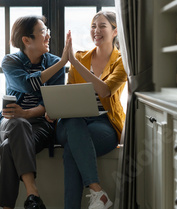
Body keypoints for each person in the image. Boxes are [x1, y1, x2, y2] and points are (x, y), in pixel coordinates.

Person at [0, 15, 69, 209]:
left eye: (47, 31)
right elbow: (27, 84)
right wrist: (63, 62)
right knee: (17, 124)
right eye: (43, 32)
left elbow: (52, 104)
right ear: (26, 39)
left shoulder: (54, 62)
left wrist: (26, 114)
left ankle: (12, 206)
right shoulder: (10, 62)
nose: (48, 36)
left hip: (40, 125)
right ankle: (33, 192)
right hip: (10, 122)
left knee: (8, 147)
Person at [54, 11, 127, 209]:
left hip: (103, 124)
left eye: (102, 26)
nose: (96, 30)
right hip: (71, 122)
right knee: (74, 121)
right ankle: (96, 190)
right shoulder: (80, 57)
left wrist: (74, 63)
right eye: (93, 26)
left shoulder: (121, 62)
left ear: (115, 31)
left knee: (72, 150)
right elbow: (69, 96)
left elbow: (104, 90)